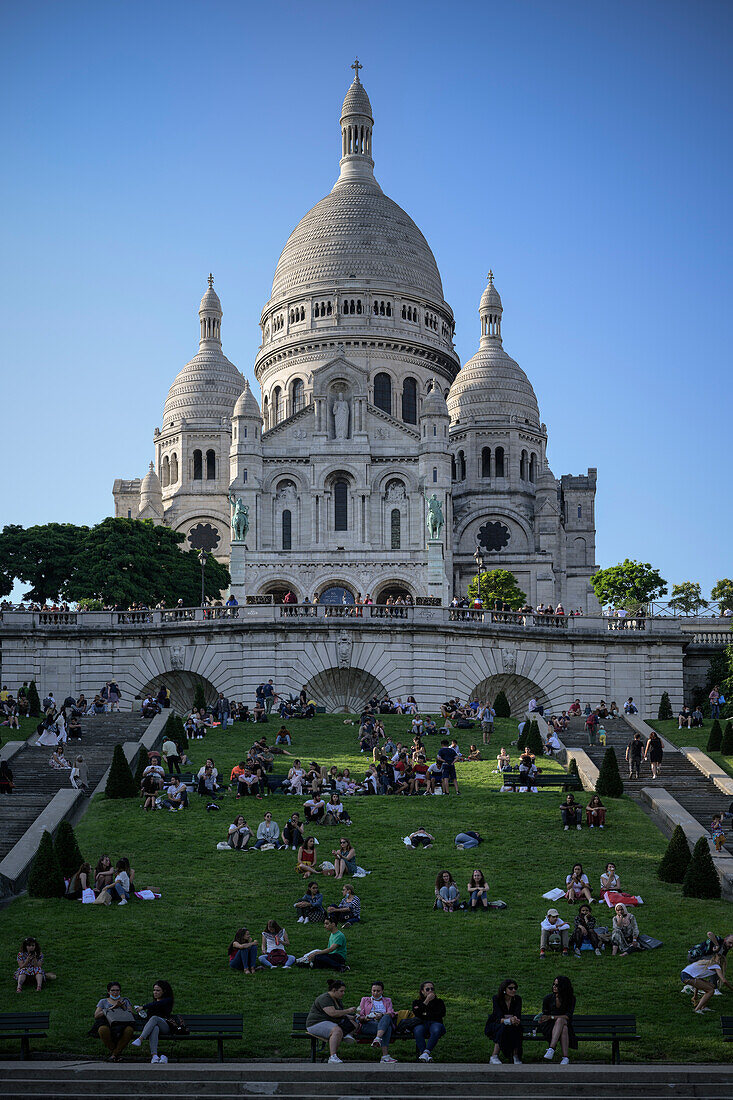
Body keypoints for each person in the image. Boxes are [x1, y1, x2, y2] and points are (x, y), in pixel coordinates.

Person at [305, 978, 358, 1064]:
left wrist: (352, 1017)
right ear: (334, 990)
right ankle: (333, 1056)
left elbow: (340, 1013)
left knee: (354, 1024)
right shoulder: (325, 998)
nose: (343, 993)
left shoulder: (337, 1000)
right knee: (336, 1030)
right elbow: (332, 1013)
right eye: (341, 991)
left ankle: (345, 1034)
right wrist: (348, 1010)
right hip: (316, 1023)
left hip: (329, 1022)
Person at [130, 980, 175, 1063]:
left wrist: (143, 1007)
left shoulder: (168, 1000)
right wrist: (143, 1014)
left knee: (155, 1018)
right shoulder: (153, 1003)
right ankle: (154, 1056)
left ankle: (140, 1038)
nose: (155, 992)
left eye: (158, 990)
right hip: (156, 1026)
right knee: (155, 1028)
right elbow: (149, 1016)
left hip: (165, 1026)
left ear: (164, 991)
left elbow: (158, 1005)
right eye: (154, 990)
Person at [538, 975, 576, 1063]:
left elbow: (568, 1016)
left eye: (557, 985)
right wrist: (549, 1018)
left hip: (563, 1024)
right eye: (553, 984)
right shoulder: (548, 998)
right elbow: (545, 1016)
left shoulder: (570, 999)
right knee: (563, 1025)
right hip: (549, 1026)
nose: (554, 987)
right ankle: (565, 1057)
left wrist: (552, 1017)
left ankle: (551, 1048)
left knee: (562, 1023)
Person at [94, 980, 136, 1061]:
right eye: (113, 990)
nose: (115, 992)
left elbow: (131, 1014)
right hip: (108, 1023)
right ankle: (116, 1053)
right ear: (108, 991)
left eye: (117, 990)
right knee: (103, 1030)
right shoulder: (103, 1001)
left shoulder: (125, 1000)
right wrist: (112, 1008)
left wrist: (123, 1007)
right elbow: (96, 1015)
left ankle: (114, 1054)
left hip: (123, 1023)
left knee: (129, 1030)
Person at [357, 980, 397, 1062]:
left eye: (378, 991)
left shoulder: (387, 1000)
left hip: (382, 1021)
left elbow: (391, 1012)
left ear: (382, 991)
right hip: (369, 1024)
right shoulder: (365, 999)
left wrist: (381, 1015)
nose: (375, 993)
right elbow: (360, 1015)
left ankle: (378, 1038)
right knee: (387, 1028)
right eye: (373, 991)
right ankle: (385, 1056)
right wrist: (365, 1018)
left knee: (386, 1016)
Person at [485, 978, 523, 1064]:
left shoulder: (517, 999)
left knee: (517, 1028)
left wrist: (515, 1019)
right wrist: (509, 1020)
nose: (513, 990)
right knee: (502, 1028)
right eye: (510, 988)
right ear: (504, 989)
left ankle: (515, 1056)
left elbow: (517, 1014)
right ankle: (494, 1056)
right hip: (496, 1024)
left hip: (513, 1023)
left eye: (515, 988)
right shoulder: (497, 999)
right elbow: (498, 1017)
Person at [412, 980, 446, 1062]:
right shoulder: (416, 1002)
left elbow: (441, 1013)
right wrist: (426, 1001)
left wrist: (425, 1013)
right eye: (427, 989)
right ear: (422, 991)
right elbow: (417, 1013)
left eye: (432, 989)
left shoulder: (439, 1002)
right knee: (418, 1030)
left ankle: (425, 1053)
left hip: (435, 1023)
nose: (430, 991)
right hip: (422, 1023)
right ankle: (425, 1055)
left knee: (436, 1029)